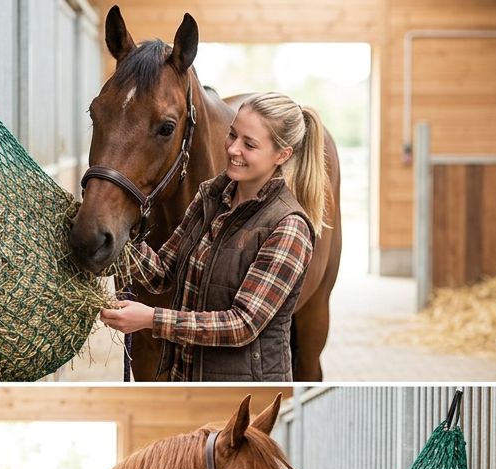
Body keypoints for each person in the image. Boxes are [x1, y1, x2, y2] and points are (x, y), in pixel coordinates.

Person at [99, 91, 329, 381]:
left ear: (282, 155)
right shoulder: (210, 196)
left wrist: (149, 319)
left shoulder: (288, 227)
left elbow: (242, 324)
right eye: (233, 135)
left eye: (250, 144)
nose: (233, 149)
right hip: (185, 376)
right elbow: (163, 273)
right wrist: (119, 232)